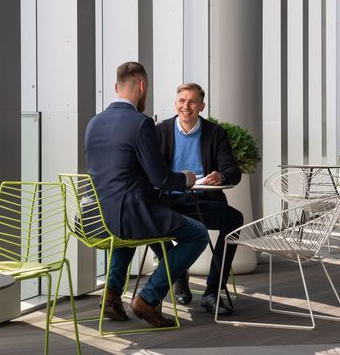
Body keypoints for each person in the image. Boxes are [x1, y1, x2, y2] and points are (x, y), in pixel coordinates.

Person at [85, 62, 209, 328]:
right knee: (197, 234)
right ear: (143, 87)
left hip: (95, 215)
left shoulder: (94, 122)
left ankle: (110, 295)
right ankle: (148, 299)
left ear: (116, 87)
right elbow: (161, 179)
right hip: (129, 214)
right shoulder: (141, 124)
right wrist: (186, 179)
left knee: (127, 235)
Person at [155, 83, 243, 315]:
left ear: (201, 106)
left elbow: (233, 171)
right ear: (176, 104)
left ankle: (213, 291)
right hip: (168, 201)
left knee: (234, 220)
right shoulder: (159, 131)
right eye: (182, 101)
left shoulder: (215, 133)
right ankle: (177, 275)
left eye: (193, 101)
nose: (187, 106)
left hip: (203, 201)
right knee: (145, 221)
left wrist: (221, 175)